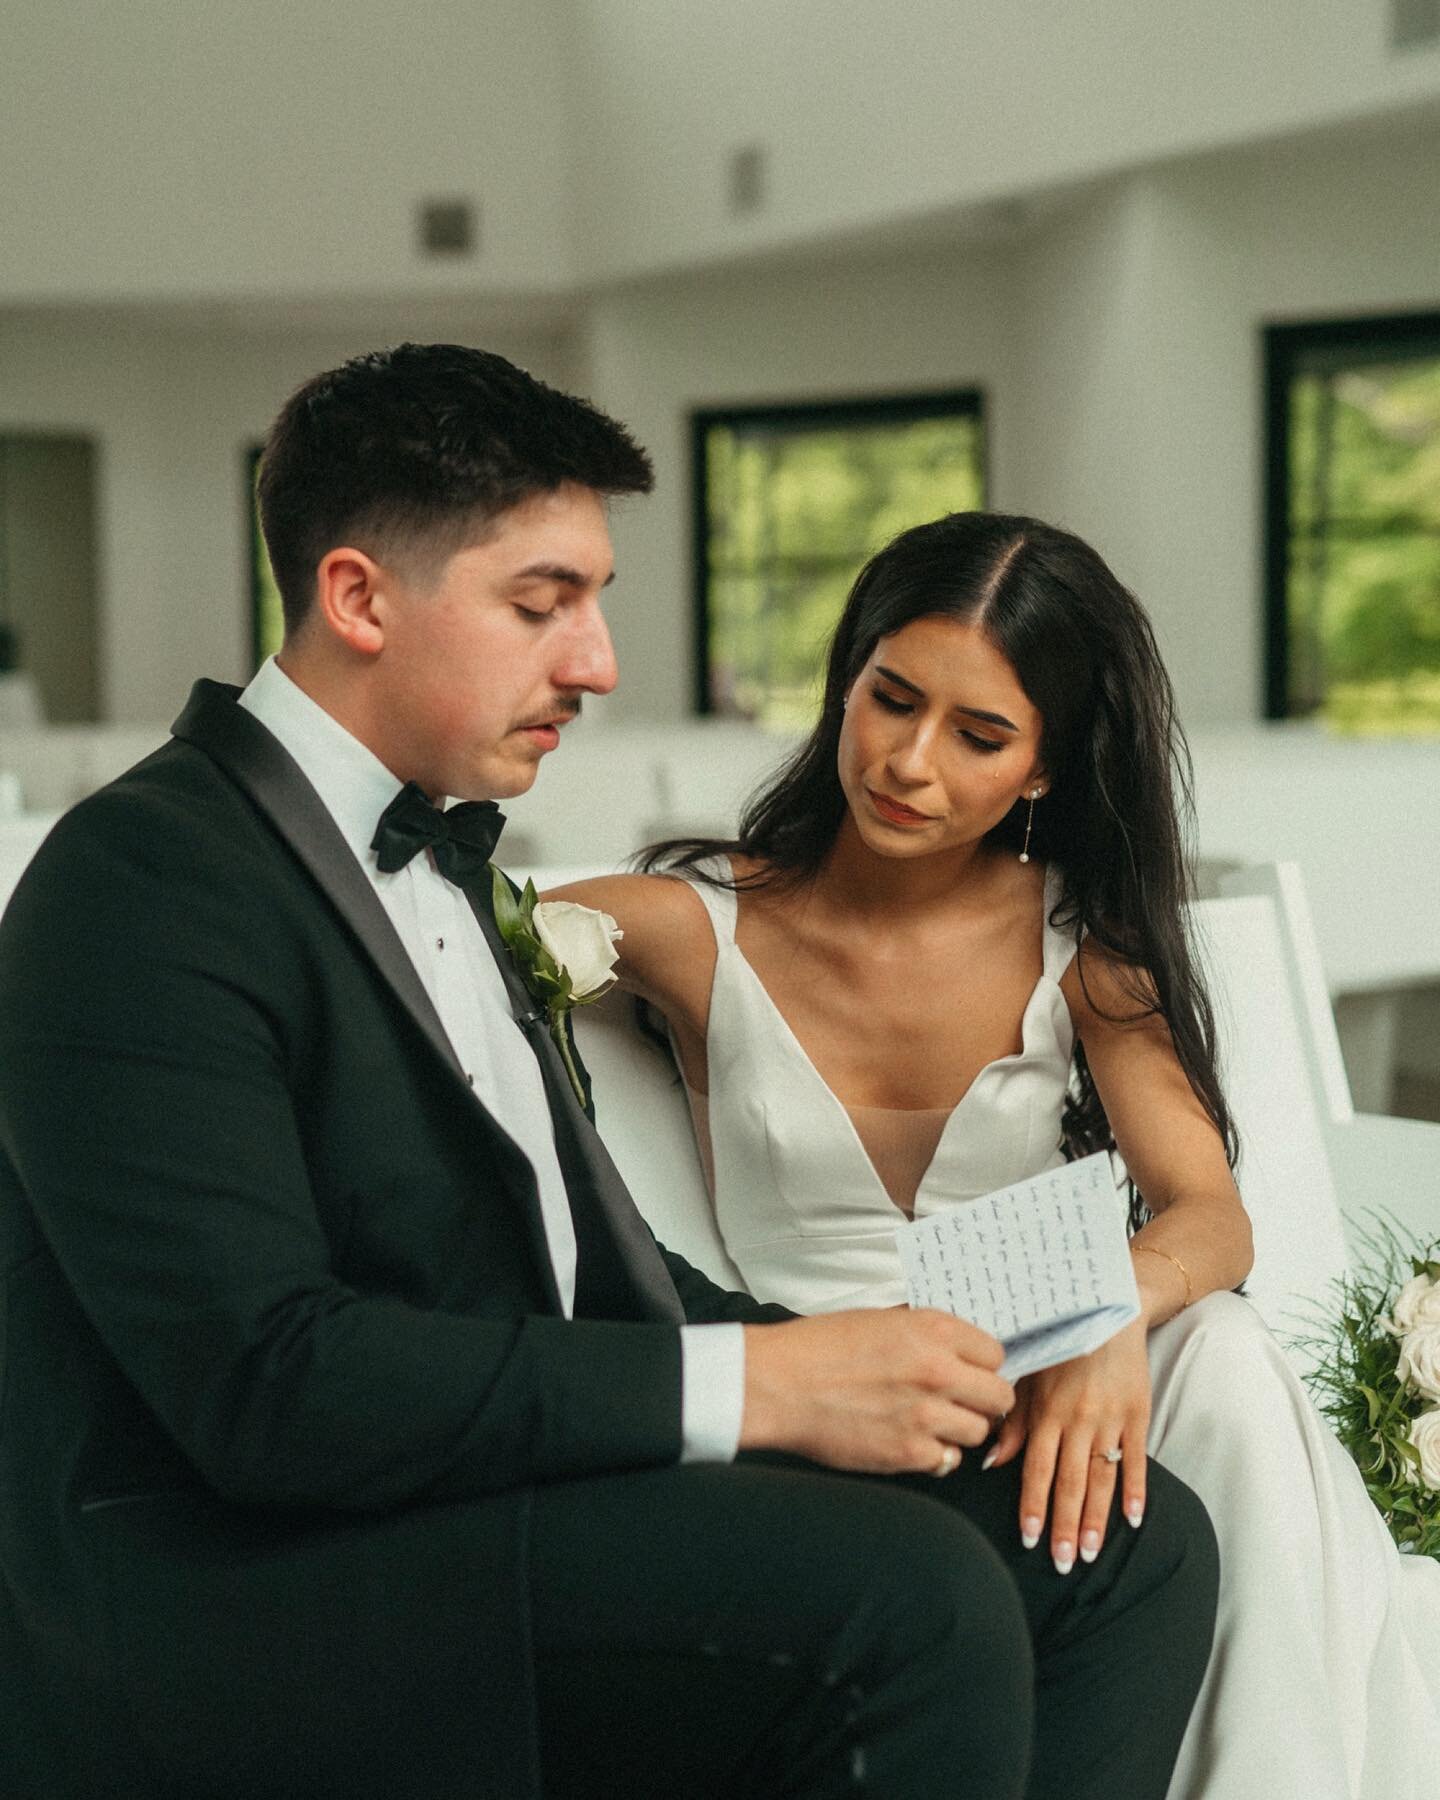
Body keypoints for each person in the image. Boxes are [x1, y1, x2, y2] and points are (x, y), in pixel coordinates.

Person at [0, 350, 1219, 1800]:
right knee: (910, 1598)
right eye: (542, 604)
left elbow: (587, 1264)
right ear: (357, 598)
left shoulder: (450, 865)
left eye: (596, 602)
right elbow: (272, 1387)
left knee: (1125, 1552)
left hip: (497, 1486)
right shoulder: (144, 877)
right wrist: (766, 1382)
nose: (597, 663)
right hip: (263, 1586)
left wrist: (890, 1360)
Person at [548, 509, 1440, 1800]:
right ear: (845, 681)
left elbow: (1209, 1214)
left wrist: (1100, 1320)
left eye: (978, 737)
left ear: (1040, 771)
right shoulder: (690, 927)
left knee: (1229, 1355)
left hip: (1032, 1356)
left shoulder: (1086, 946)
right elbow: (410, 959)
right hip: (829, 1394)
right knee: (1223, 1367)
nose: (909, 763)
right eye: (889, 699)